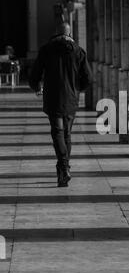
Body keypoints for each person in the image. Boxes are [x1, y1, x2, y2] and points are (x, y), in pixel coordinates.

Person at [29, 23, 92, 187]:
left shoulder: (46, 50)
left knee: (57, 132)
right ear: (70, 33)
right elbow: (88, 78)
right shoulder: (78, 51)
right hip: (71, 99)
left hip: (53, 99)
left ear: (56, 33)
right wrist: (77, 89)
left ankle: (63, 168)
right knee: (67, 134)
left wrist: (37, 87)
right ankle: (64, 168)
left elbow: (34, 75)